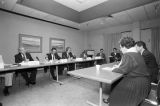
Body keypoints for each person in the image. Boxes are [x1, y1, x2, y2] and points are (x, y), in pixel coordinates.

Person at [109, 37, 151, 106]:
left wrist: (112, 69)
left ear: (124, 47)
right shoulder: (137, 54)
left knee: (115, 91)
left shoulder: (127, 55)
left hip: (136, 85)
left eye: (120, 47)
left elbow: (123, 70)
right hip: (145, 83)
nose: (120, 49)